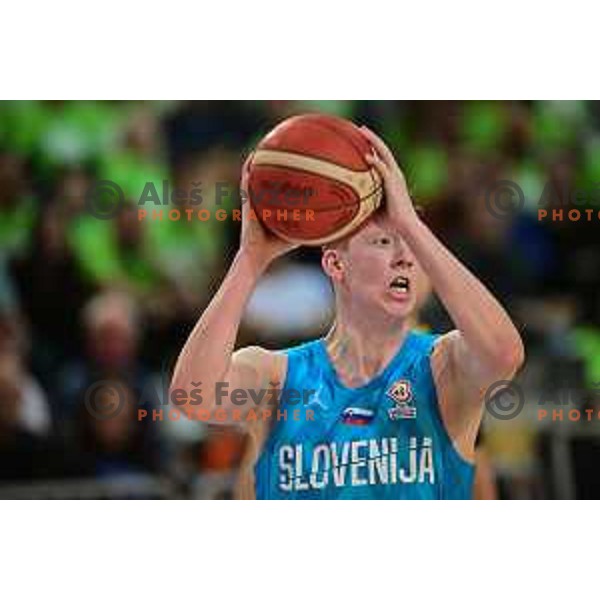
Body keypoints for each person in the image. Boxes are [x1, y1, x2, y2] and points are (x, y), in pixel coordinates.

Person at [170, 125, 525, 499]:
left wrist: (409, 222)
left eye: (414, 244)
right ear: (337, 265)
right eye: (383, 241)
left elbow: (505, 354)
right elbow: (193, 396)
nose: (405, 257)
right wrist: (249, 261)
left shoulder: (444, 368)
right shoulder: (277, 378)